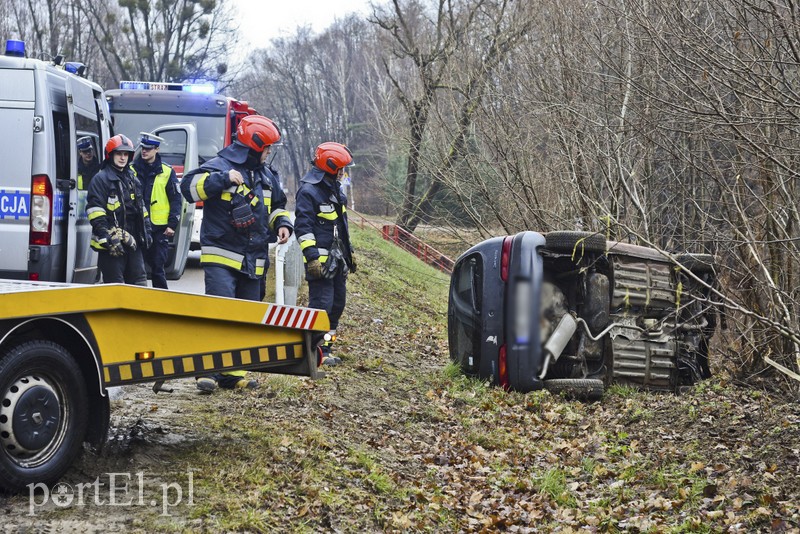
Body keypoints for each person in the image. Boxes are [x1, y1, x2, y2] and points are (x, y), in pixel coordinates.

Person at [181, 115, 293, 392]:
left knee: (246, 318)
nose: (269, 153)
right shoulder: (220, 166)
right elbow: (187, 188)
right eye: (267, 147)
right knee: (220, 313)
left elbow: (277, 206)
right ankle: (206, 371)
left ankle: (232, 374)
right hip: (222, 253)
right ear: (254, 146)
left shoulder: (267, 176)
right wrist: (221, 179)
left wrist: (282, 224)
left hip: (254, 257)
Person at [294, 142, 356, 366]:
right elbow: (303, 227)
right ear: (330, 166)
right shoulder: (308, 191)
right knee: (322, 305)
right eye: (340, 169)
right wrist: (311, 258)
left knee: (337, 304)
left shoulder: (335, 189)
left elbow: (342, 225)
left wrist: (349, 255)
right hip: (319, 263)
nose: (343, 173)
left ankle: (327, 346)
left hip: (337, 260)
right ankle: (313, 350)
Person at [87, 134, 152, 285]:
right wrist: (107, 236)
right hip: (112, 244)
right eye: (118, 153)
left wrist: (146, 232)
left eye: (126, 154)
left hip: (133, 241)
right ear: (110, 155)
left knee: (139, 283)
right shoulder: (101, 179)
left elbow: (142, 210)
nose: (122, 158)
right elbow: (95, 211)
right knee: (115, 287)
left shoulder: (132, 179)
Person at [132, 132, 181, 289]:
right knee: (136, 268)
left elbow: (175, 199)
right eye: (143, 148)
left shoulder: (167, 171)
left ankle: (162, 300)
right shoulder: (132, 169)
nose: (144, 151)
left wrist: (172, 224)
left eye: (149, 148)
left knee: (158, 268)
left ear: (157, 149)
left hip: (158, 228)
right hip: (137, 226)